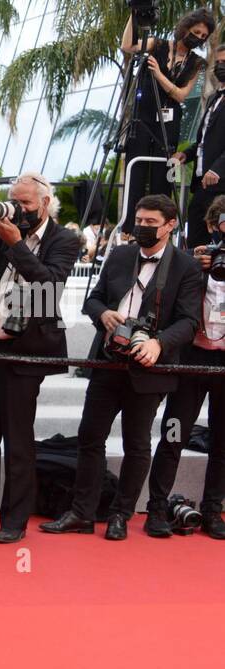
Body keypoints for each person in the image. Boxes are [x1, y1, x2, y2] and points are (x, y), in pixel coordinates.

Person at [42, 194, 201, 540]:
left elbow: (189, 321)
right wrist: (103, 314)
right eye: (138, 221)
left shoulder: (186, 267)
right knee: (89, 438)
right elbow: (92, 299)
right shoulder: (120, 255)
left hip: (150, 369)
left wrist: (158, 343)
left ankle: (121, 514)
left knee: (137, 444)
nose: (141, 228)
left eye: (150, 223)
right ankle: (81, 513)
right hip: (107, 363)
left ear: (170, 225)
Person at [0, 172, 79, 543]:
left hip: (26, 353)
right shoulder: (0, 231)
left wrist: (17, 244)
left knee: (17, 439)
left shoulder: (65, 240)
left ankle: (14, 520)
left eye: (25, 203)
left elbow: (48, 284)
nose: (19, 209)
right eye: (14, 201)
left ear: (45, 203)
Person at [146, 194, 225, 539]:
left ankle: (213, 510)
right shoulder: (192, 264)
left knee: (223, 442)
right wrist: (196, 269)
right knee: (174, 433)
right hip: (192, 360)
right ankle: (158, 507)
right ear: (211, 227)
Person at [117, 9, 214, 232]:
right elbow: (128, 46)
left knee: (163, 176)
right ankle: (131, 229)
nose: (198, 37)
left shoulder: (196, 62)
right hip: (143, 117)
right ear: (186, 27)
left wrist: (159, 74)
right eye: (196, 31)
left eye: (203, 36)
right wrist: (134, 14)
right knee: (137, 172)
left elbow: (181, 95)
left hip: (169, 124)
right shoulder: (158, 44)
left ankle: (160, 228)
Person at [174, 42, 225, 248]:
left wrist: (217, 169)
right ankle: (196, 279)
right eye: (219, 62)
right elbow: (204, 140)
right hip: (202, 183)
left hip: (220, 183)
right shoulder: (214, 98)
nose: (221, 66)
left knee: (219, 238)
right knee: (195, 237)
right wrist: (186, 154)